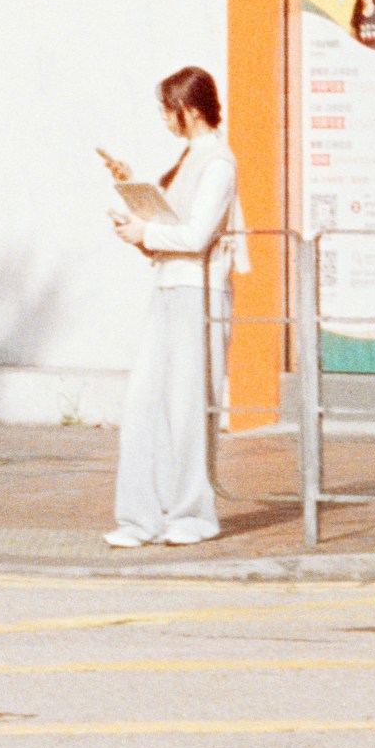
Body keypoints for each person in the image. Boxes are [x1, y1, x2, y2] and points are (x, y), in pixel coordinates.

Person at [104, 69, 248, 549]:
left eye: (170, 108)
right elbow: (174, 229)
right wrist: (137, 209)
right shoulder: (191, 159)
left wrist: (145, 233)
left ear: (191, 108)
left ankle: (191, 514)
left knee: (188, 407)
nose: (166, 118)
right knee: (144, 405)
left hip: (199, 292)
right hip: (170, 286)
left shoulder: (217, 163)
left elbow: (196, 234)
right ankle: (140, 517)